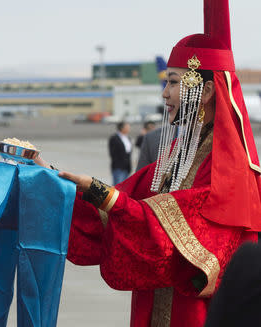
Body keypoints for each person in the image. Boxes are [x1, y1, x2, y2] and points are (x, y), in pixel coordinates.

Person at [37, 0, 261, 325]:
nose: (164, 93)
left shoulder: (231, 168)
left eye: (173, 82)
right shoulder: (180, 152)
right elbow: (124, 203)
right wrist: (54, 185)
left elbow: (179, 229)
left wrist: (102, 193)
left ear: (208, 90)